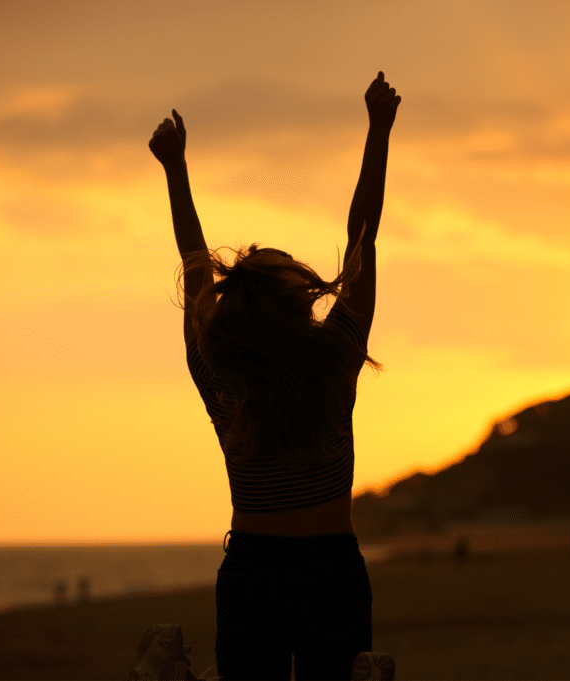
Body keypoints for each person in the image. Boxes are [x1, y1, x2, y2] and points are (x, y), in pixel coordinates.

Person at [148, 71, 401, 681]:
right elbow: (363, 233)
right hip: (329, 570)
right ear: (296, 297)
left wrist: (175, 169)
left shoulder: (220, 375)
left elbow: (195, 264)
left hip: (253, 573)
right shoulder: (335, 357)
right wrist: (378, 129)